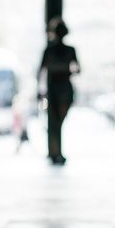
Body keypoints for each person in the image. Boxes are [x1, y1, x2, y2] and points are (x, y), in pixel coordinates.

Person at [38, 17, 79, 164]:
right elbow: (78, 68)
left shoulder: (51, 51)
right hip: (59, 88)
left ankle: (56, 151)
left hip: (57, 88)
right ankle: (56, 152)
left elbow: (41, 71)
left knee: (56, 122)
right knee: (57, 122)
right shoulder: (66, 51)